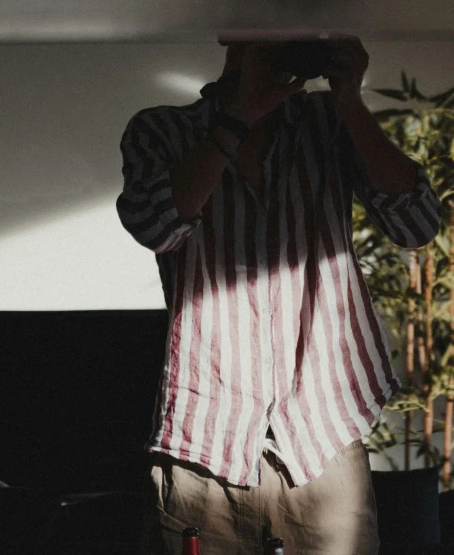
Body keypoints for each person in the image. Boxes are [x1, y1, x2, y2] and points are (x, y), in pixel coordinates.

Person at [116, 36, 442, 554]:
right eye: (266, 27)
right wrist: (238, 116)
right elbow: (156, 224)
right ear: (229, 33)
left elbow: (418, 223)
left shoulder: (329, 124)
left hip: (323, 433)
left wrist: (351, 103)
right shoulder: (162, 129)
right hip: (205, 438)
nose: (281, 39)